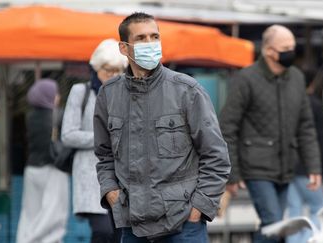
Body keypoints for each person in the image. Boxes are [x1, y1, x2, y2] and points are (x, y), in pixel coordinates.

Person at [93, 12, 230, 243]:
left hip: (183, 225)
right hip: (132, 225)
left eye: (154, 37)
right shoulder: (109, 94)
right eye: (141, 38)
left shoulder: (187, 90)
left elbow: (216, 155)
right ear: (124, 48)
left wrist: (199, 209)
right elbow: (104, 155)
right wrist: (111, 193)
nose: (150, 44)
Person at [219, 25, 322, 243]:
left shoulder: (296, 78)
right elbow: (227, 127)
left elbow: (306, 126)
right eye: (285, 48)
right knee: (274, 224)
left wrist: (313, 166)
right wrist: (232, 173)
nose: (291, 52)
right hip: (255, 167)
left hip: (286, 167)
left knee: (273, 226)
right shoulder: (246, 79)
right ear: (268, 51)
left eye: (293, 47)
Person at [61, 39, 127, 243]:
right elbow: (68, 134)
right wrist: (102, 138)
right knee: (103, 231)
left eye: (118, 70)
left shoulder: (126, 93)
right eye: (108, 70)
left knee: (120, 233)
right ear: (96, 68)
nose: (113, 75)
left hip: (121, 177)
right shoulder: (81, 92)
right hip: (91, 175)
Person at [17, 79, 69, 243]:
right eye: (56, 93)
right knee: (54, 212)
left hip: (32, 169)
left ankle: (25, 239)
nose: (58, 97)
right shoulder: (57, 114)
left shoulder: (30, 116)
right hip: (52, 169)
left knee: (30, 212)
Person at [286, 70, 323, 243]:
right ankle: (308, 240)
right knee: (319, 209)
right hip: (309, 168)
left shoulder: (286, 102)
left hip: (287, 166)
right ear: (313, 82)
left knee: (294, 211)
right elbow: (322, 140)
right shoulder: (314, 104)